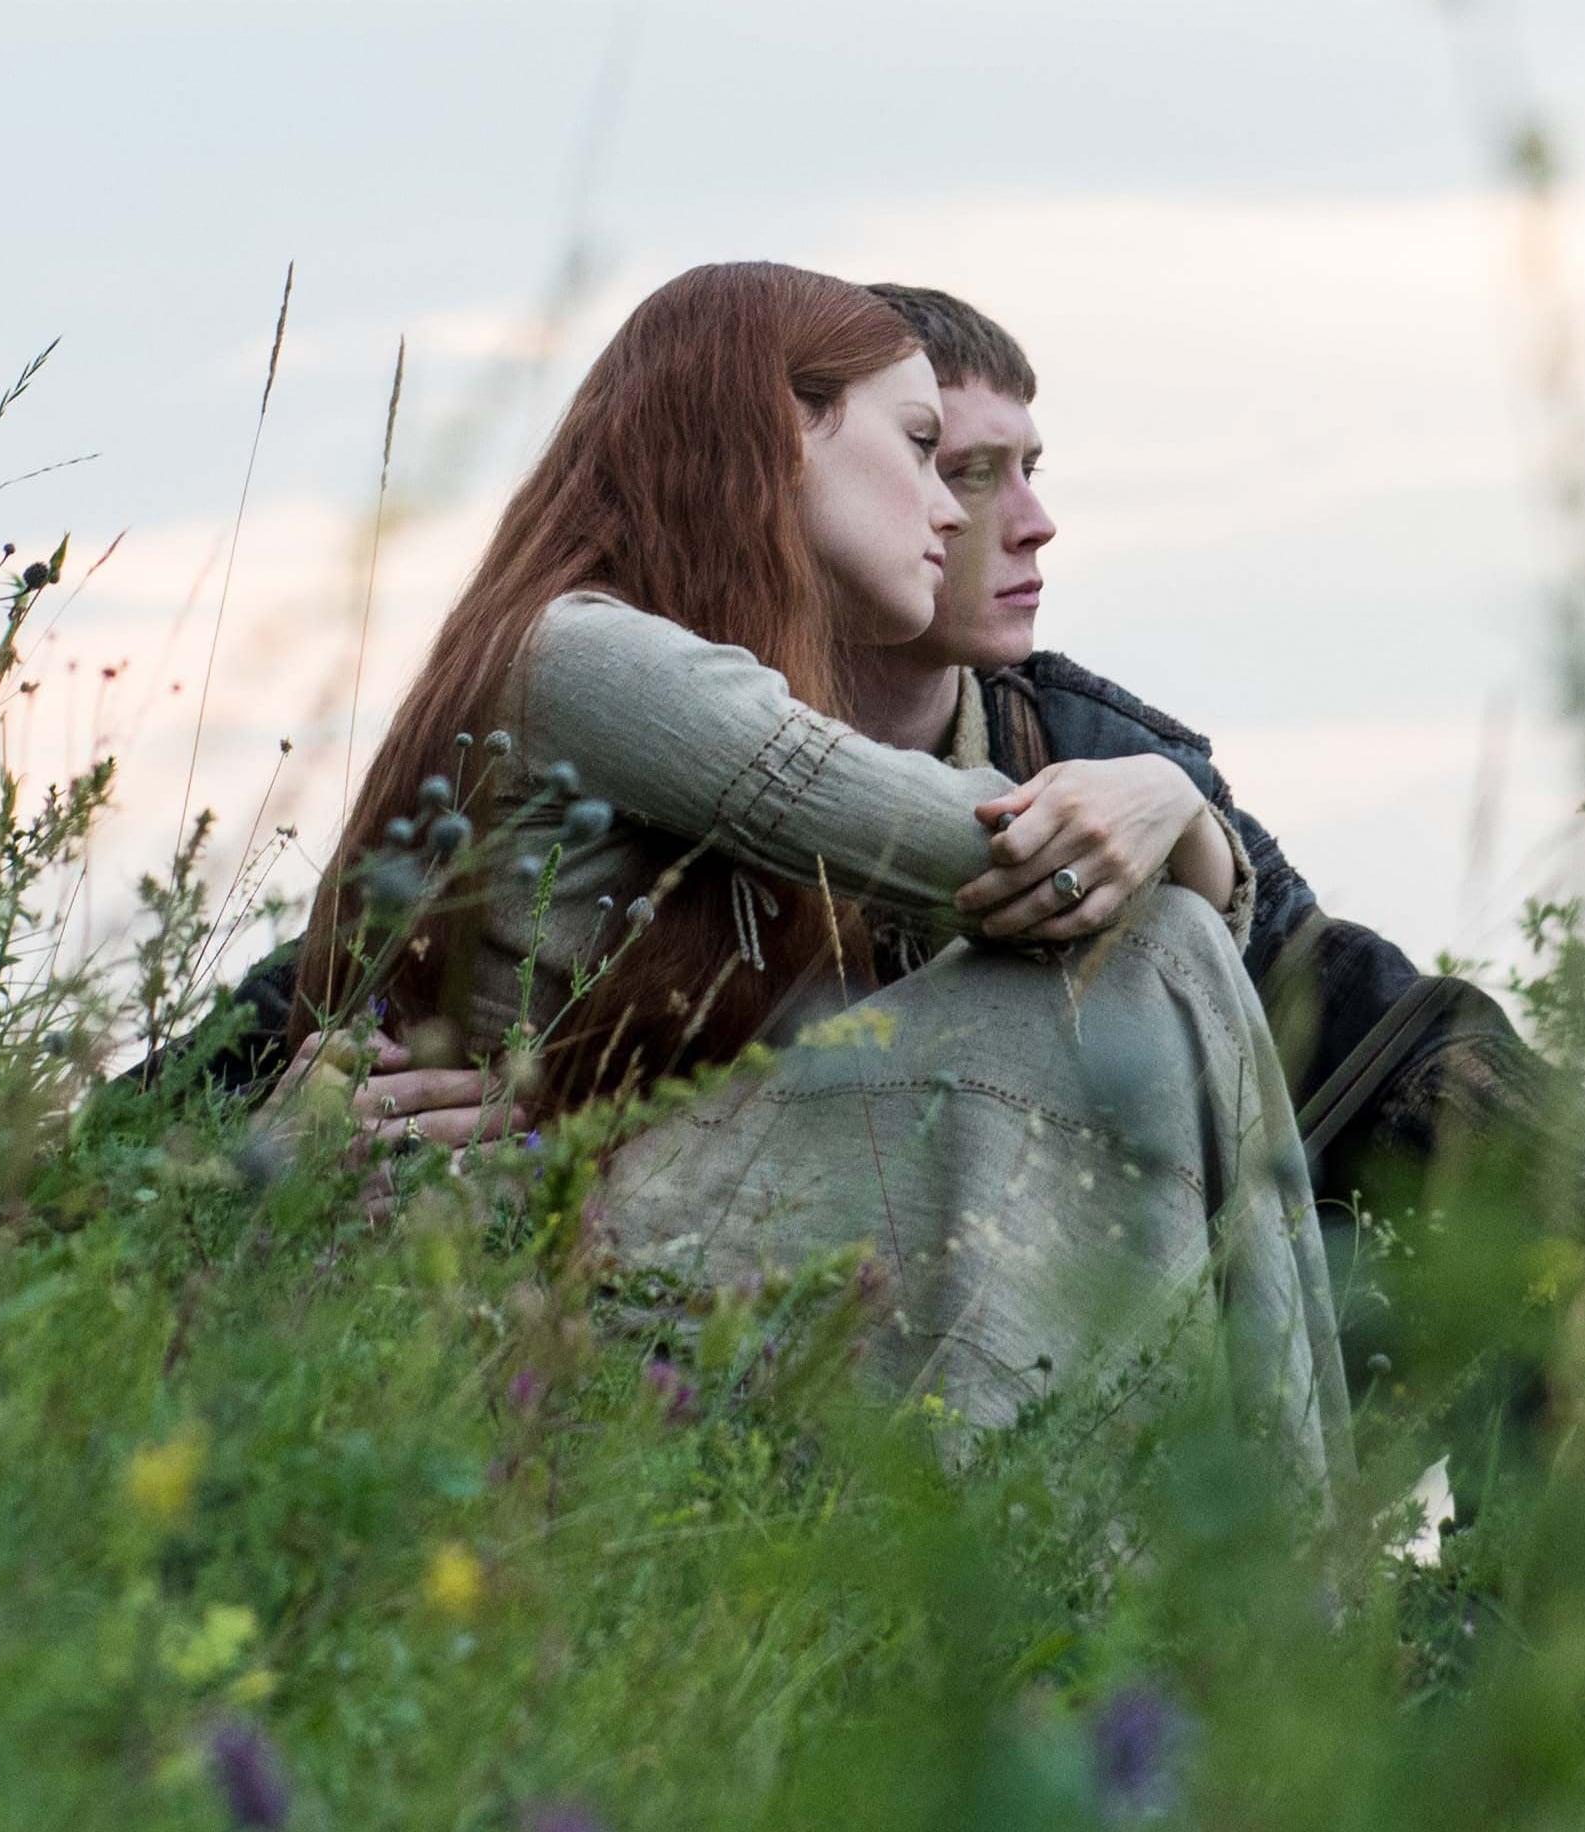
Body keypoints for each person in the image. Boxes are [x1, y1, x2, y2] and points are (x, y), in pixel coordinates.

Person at [152, 278, 1585, 1823]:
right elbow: (267, 1047)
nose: (1013, 518)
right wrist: (282, 1120)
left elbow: (1374, 1031)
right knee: (1154, 952)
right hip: (658, 1335)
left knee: (1520, 1271)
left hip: (1093, 1315)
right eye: (949, 464)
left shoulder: (1086, 754)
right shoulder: (634, 690)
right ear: (786, 455)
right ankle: (1128, 1658)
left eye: (1021, 470)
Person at [263, 261, 1350, 1484]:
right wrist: (1171, 798)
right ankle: (1236, 1587)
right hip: (508, 1286)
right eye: (923, 445)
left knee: (1154, 948)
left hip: (599, 1260)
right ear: (782, 435)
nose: (953, 510)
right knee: (1148, 955)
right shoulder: (584, 651)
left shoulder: (637, 659)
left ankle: (1175, 1570)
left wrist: (1165, 796)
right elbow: (981, 852)